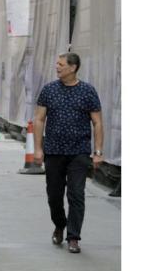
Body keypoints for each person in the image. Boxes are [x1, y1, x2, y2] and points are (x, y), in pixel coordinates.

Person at [33, 52, 104, 254]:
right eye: (57, 64)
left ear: (73, 68)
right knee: (54, 196)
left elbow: (97, 122)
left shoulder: (88, 91)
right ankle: (59, 223)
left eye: (61, 64)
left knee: (76, 194)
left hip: (79, 152)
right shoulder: (49, 90)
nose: (57, 67)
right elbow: (39, 119)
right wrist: (38, 148)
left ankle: (73, 236)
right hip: (54, 151)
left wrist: (98, 151)